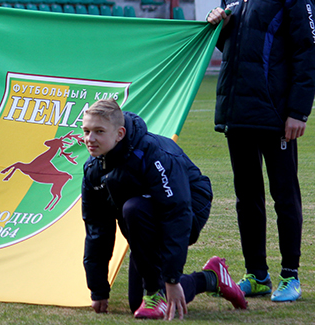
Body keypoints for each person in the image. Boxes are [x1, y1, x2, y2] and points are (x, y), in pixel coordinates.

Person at [206, 0, 315, 303]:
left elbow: (306, 51)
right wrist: (219, 27)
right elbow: (233, 50)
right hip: (238, 112)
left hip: (276, 114)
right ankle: (257, 275)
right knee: (246, 197)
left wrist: (298, 111)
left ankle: (291, 276)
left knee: (284, 195)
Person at [81, 99, 247, 320]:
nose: (90, 139)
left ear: (120, 134)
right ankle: (212, 277)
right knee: (137, 303)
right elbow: (97, 230)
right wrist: (98, 289)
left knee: (133, 209)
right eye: (87, 131)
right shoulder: (94, 169)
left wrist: (172, 279)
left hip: (188, 205)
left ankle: (157, 290)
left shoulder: (154, 154)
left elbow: (176, 213)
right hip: (145, 219)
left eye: (99, 131)